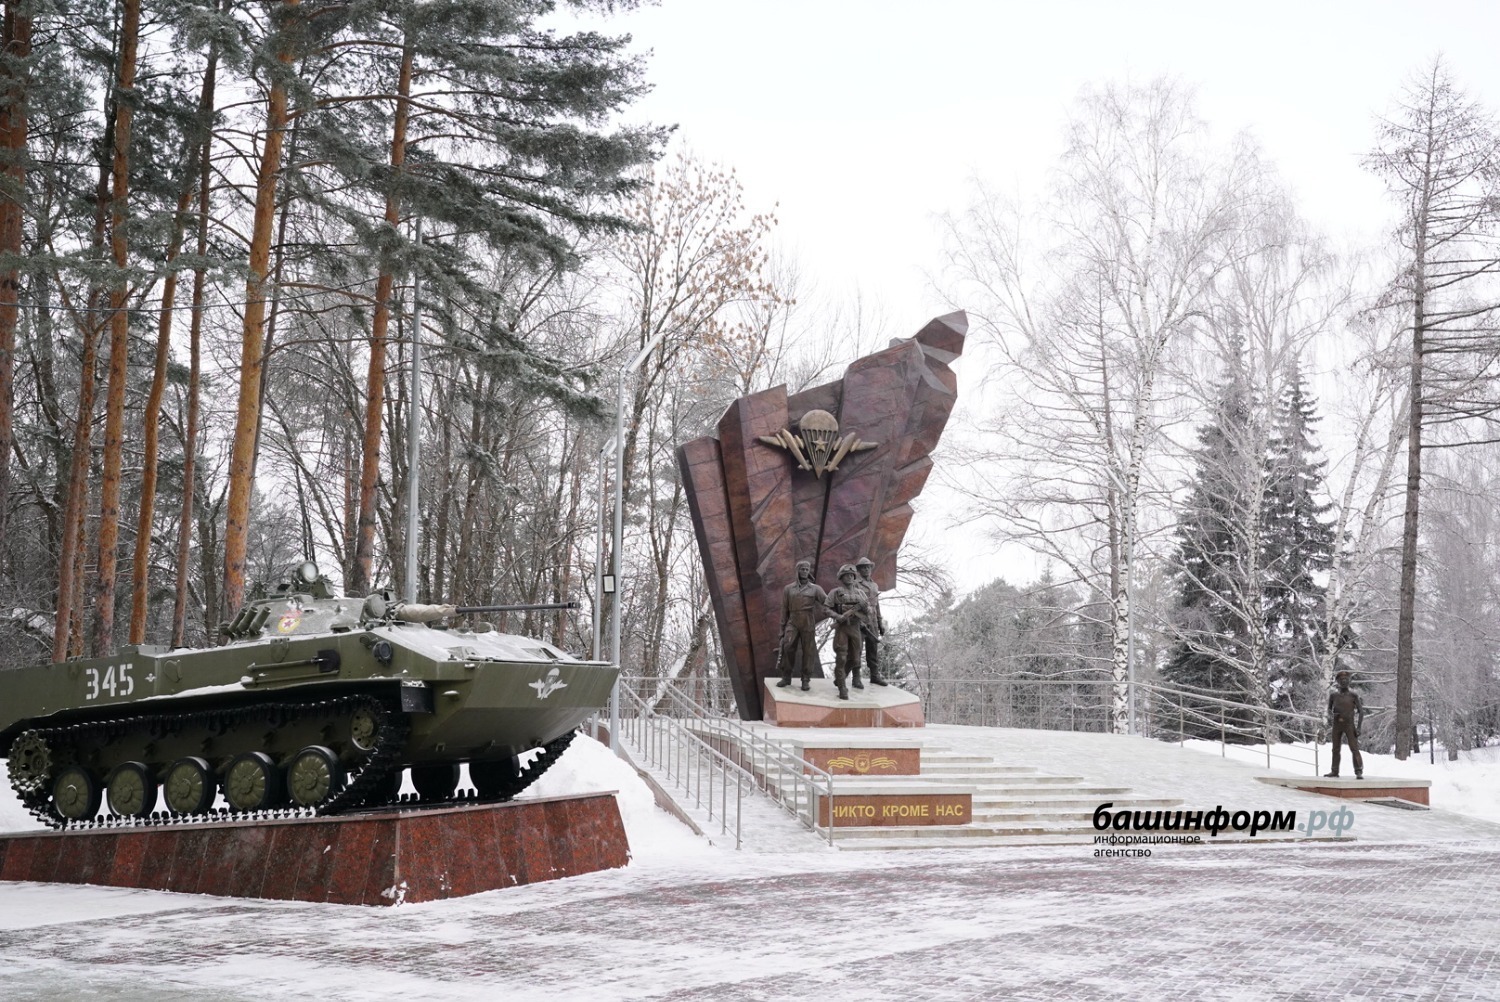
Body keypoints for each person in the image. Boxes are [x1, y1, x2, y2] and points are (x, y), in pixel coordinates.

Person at [775, 560, 826, 691]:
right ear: (797, 570)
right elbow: (784, 610)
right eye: (802, 569)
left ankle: (805, 679)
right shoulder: (788, 589)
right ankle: (786, 676)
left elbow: (827, 603)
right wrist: (781, 630)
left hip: (808, 620)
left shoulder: (815, 589)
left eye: (806, 569)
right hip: (792, 620)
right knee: (787, 647)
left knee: (808, 651)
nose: (804, 571)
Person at [824, 564, 870, 700]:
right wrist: (838, 616)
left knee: (855, 659)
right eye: (846, 575)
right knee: (841, 658)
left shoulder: (861, 593)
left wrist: (866, 608)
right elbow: (826, 608)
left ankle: (840, 677)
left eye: (851, 575)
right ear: (841, 577)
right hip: (842, 628)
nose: (849, 577)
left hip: (855, 628)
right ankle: (842, 688)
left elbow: (869, 612)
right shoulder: (835, 592)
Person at [854, 556, 887, 686]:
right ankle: (856, 677)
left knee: (873, 648)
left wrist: (880, 622)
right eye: (864, 567)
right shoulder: (855, 584)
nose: (867, 569)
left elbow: (877, 605)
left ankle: (874, 675)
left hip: (872, 620)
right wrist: (857, 619)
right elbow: (852, 603)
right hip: (860, 619)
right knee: (857, 649)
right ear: (860, 570)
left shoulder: (874, 585)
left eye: (868, 567)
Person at [1325, 669, 1364, 780]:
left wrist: (1359, 727)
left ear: (1349, 681)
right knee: (1335, 749)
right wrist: (1331, 715)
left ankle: (1359, 770)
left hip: (1349, 724)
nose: (1344, 681)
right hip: (1337, 724)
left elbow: (1361, 711)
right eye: (1341, 679)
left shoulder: (1353, 696)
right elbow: (1329, 709)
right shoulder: (1334, 696)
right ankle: (1334, 770)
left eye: (1346, 679)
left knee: (1354, 748)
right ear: (1337, 681)